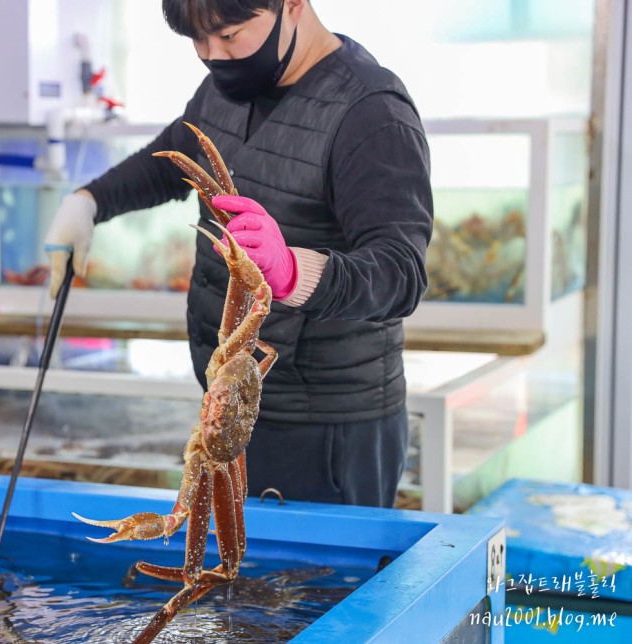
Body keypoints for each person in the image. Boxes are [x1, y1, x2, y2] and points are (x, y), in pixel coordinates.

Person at [44, 0, 433, 508]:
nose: (212, 56)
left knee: (315, 585)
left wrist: (295, 270)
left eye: (229, 36)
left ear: (292, 5)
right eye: (197, 41)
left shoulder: (371, 113)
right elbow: (172, 160)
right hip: (232, 403)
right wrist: (88, 201)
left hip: (325, 425)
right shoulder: (231, 87)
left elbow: (400, 272)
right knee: (235, 580)